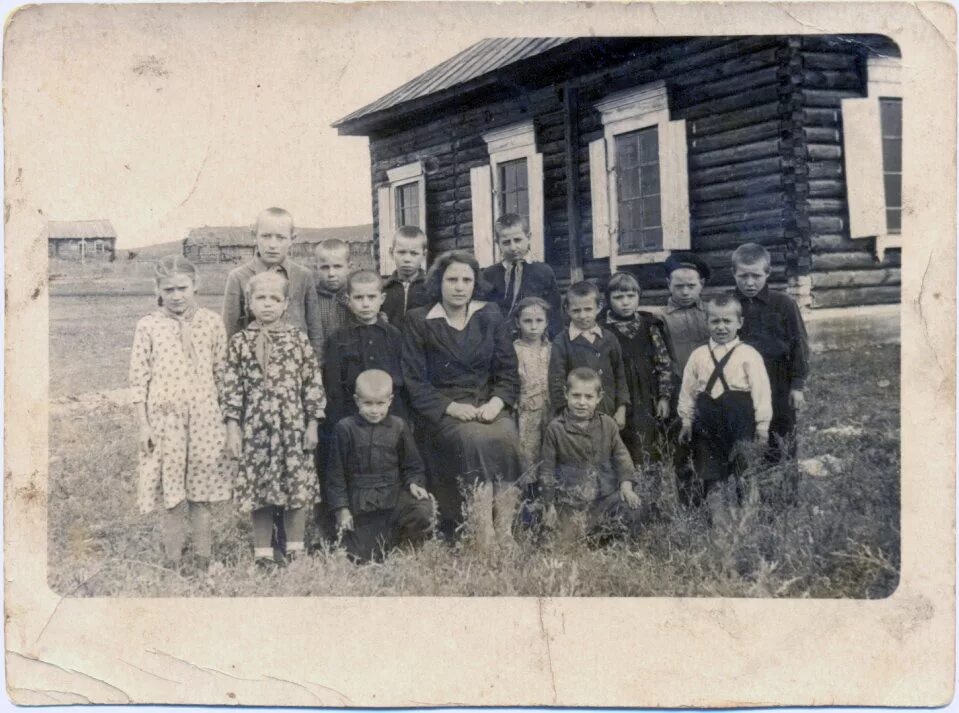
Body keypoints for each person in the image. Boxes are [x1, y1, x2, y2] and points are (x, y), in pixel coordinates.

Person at [402, 250, 522, 547]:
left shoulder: (490, 315)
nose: (459, 286)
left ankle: (505, 532)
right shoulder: (419, 320)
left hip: (487, 404)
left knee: (507, 435)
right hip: (444, 410)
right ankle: (483, 533)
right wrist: (451, 407)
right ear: (438, 283)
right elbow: (414, 381)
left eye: (466, 279)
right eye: (452, 279)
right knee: (474, 440)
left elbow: (508, 372)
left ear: (475, 283)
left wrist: (497, 403)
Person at [129, 255, 232, 574]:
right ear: (157, 289)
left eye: (183, 288)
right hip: (165, 422)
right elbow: (138, 378)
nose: (176, 295)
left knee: (201, 493)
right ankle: (172, 561)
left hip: (205, 419)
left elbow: (223, 374)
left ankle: (203, 558)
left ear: (195, 285)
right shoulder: (148, 326)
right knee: (172, 494)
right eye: (169, 289)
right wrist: (143, 425)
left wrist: (229, 423)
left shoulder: (212, 323)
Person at [222, 271, 326, 569]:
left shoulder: (297, 340)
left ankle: (295, 549)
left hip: (292, 427)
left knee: (295, 487)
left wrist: (312, 424)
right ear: (248, 302)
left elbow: (312, 384)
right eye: (260, 298)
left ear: (285, 304)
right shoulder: (240, 342)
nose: (267, 305)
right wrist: (232, 427)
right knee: (260, 491)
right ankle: (263, 553)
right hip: (256, 430)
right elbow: (232, 386)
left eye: (274, 299)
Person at [326, 370, 434, 562]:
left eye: (380, 403)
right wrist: (341, 509)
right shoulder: (345, 429)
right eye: (368, 403)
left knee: (422, 511)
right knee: (362, 557)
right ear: (357, 400)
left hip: (393, 497)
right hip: (362, 503)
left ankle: (406, 545)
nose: (374, 410)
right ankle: (371, 541)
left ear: (390, 400)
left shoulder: (399, 426)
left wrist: (414, 483)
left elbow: (413, 465)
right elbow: (336, 475)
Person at [677, 295, 772, 510]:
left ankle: (747, 519)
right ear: (707, 322)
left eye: (727, 321)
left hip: (740, 419)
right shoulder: (698, 356)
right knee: (711, 474)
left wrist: (762, 425)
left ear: (739, 323)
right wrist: (686, 421)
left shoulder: (748, 355)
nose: (721, 327)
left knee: (745, 470)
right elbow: (688, 391)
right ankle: (719, 524)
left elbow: (761, 391)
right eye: (715, 321)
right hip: (708, 421)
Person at [731, 243, 810, 497]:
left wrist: (797, 385)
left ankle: (785, 494)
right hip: (741, 381)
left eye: (756, 275)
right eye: (743, 276)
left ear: (768, 273)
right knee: (745, 434)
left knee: (781, 432)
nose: (750, 282)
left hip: (778, 378)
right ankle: (748, 492)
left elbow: (799, 344)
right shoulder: (729, 305)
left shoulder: (784, 303)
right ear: (734, 274)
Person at [539, 368, 644, 542]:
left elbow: (622, 457)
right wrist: (549, 505)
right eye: (576, 395)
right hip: (572, 502)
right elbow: (547, 471)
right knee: (558, 540)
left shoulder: (608, 424)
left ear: (599, 397)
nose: (582, 402)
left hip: (605, 498)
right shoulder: (555, 429)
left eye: (588, 397)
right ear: (566, 394)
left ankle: (610, 540)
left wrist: (626, 486)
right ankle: (586, 537)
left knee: (634, 508)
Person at [222, 207, 323, 360]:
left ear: (292, 239)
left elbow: (315, 327)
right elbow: (229, 329)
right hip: (253, 364)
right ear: (254, 236)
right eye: (266, 236)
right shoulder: (238, 277)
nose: (272, 245)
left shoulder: (304, 276)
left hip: (296, 364)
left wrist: (316, 364)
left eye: (280, 237)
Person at [601, 271, 672, 464]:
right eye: (618, 297)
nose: (625, 302)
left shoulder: (649, 325)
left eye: (631, 296)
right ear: (608, 299)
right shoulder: (602, 329)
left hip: (646, 394)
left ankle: (645, 482)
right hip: (616, 392)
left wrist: (664, 397)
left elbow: (664, 362)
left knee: (645, 440)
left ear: (639, 297)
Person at [659, 252, 712, 504]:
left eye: (691, 285)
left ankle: (713, 499)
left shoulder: (712, 314)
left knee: (709, 446)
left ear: (702, 284)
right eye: (678, 286)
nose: (685, 291)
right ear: (667, 284)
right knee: (682, 448)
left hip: (712, 390)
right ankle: (689, 505)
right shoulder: (661, 319)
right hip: (680, 392)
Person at [323, 269, 407, 425]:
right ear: (348, 300)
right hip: (352, 416)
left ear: (381, 299)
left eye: (371, 297)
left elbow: (401, 381)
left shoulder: (394, 336)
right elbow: (334, 388)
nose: (366, 303)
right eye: (359, 298)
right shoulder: (337, 339)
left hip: (390, 414)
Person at [548, 280, 629, 426]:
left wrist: (621, 409)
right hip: (576, 413)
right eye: (576, 310)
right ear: (567, 309)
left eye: (588, 309)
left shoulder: (609, 338)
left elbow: (620, 375)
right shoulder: (562, 341)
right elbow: (556, 379)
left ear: (599, 307)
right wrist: (564, 413)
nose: (583, 315)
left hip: (607, 409)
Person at [481, 213, 563, 338]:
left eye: (518, 240)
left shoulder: (543, 271)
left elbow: (555, 313)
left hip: (535, 340)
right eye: (506, 242)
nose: (513, 247)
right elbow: (484, 314)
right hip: (500, 342)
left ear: (528, 237)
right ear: (497, 243)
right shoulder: (489, 274)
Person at [512, 297, 553, 477]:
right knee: (528, 451)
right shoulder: (513, 350)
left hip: (550, 407)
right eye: (527, 321)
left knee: (550, 449)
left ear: (547, 322)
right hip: (525, 410)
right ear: (517, 322)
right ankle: (529, 492)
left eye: (539, 321)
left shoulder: (552, 348)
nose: (534, 327)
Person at [381, 226, 429, 328]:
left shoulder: (430, 287)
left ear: (424, 255)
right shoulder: (383, 288)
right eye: (401, 252)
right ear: (391, 253)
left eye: (414, 253)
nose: (407, 259)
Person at [313, 238, 352, 343]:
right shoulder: (311, 298)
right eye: (325, 267)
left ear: (349, 267)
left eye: (337, 266)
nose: (331, 273)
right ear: (316, 269)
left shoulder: (356, 297)